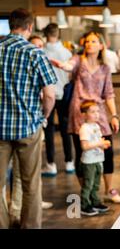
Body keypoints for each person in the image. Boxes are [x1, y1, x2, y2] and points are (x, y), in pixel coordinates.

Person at [51, 31, 120, 203]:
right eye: (87, 41)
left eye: (93, 41)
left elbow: (109, 93)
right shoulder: (78, 60)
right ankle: (87, 192)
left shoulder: (105, 68)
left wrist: (114, 115)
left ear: (101, 45)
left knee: (107, 151)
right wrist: (62, 65)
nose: (89, 44)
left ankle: (109, 191)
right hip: (80, 114)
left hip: (99, 114)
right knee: (82, 153)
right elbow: (69, 66)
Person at [0, 8, 57, 228]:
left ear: (10, 24)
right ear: (30, 27)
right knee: (31, 184)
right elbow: (50, 94)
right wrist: (44, 115)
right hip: (27, 127)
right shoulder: (35, 53)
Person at [42, 23, 74, 176]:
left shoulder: (41, 52)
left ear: (45, 34)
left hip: (47, 94)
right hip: (64, 94)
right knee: (65, 129)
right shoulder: (67, 52)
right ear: (58, 34)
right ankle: (69, 162)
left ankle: (51, 164)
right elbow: (70, 75)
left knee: (49, 130)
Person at [78, 101, 111, 216]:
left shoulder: (96, 126)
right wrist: (99, 143)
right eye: (92, 112)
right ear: (84, 115)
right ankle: (84, 205)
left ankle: (95, 202)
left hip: (97, 159)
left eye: (98, 111)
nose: (97, 114)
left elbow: (96, 141)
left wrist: (103, 144)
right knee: (88, 184)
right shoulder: (84, 128)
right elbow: (85, 146)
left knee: (96, 184)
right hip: (89, 161)